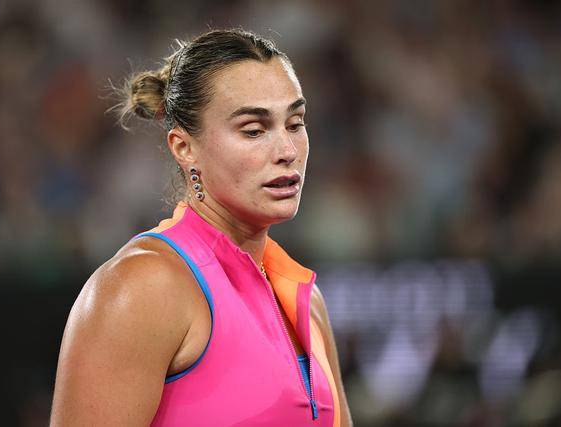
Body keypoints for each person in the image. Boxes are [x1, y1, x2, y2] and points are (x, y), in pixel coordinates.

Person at [50, 28, 353, 426]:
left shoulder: (308, 302)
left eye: (295, 123)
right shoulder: (141, 288)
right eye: (254, 130)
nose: (287, 151)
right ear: (184, 147)